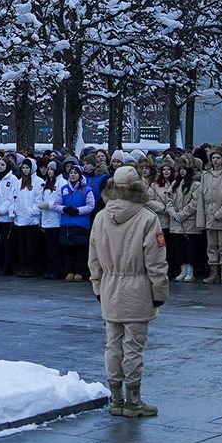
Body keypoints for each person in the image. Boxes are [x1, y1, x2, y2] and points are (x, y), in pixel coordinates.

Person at [87, 165, 169, 418]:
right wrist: (159, 293)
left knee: (113, 345)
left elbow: (93, 258)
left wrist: (97, 286)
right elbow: (156, 262)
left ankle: (116, 398)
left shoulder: (101, 217)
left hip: (110, 287)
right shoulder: (147, 218)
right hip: (138, 288)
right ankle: (133, 400)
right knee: (134, 347)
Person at [197, 150, 222, 284]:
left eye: (218, 158)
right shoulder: (205, 176)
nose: (215, 160)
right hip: (209, 216)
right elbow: (200, 198)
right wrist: (201, 219)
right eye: (213, 158)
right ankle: (213, 273)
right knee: (211, 246)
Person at [57, 163, 96, 282]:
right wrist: (64, 209)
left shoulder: (86, 189)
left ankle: (80, 271)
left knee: (80, 250)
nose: (73, 175)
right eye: (71, 173)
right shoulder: (64, 189)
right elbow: (56, 204)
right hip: (66, 224)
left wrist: (78, 211)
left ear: (79, 175)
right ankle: (69, 270)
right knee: (68, 250)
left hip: (80, 224)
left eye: (75, 173)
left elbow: (90, 206)